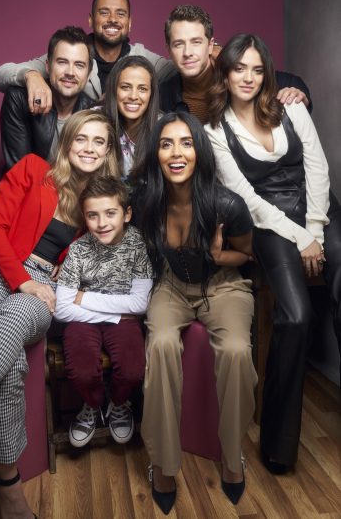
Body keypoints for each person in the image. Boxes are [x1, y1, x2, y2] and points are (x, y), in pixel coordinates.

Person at [0, 110, 120, 519]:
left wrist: (47, 285)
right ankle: (10, 489)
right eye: (80, 138)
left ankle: (8, 488)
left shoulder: (98, 209)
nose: (88, 147)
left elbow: (96, 273)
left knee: (18, 320)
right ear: (67, 143)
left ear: (108, 152)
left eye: (98, 141)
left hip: (40, 291)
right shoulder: (33, 170)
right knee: (9, 365)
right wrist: (24, 280)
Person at [205, 33, 341, 475]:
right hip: (268, 222)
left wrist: (316, 228)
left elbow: (317, 167)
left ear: (267, 73)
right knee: (296, 315)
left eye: (256, 69)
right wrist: (300, 238)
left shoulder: (291, 106)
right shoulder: (213, 129)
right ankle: (279, 445)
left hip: (319, 211)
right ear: (224, 71)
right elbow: (245, 196)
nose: (247, 77)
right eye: (239, 68)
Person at [132, 111, 258, 513]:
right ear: (156, 154)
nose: (176, 153)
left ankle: (232, 455)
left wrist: (222, 254)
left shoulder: (227, 203)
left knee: (238, 351)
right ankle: (163, 463)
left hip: (223, 285)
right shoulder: (146, 200)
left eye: (186, 143)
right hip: (172, 285)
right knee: (162, 345)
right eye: (166, 144)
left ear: (199, 151)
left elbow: (250, 253)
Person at [54, 176, 153, 447]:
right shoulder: (78, 250)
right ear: (84, 218)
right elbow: (62, 309)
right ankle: (92, 404)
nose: (102, 223)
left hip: (114, 321)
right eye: (92, 216)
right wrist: (116, 312)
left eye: (110, 213)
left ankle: (119, 403)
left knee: (133, 369)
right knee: (83, 371)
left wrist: (83, 297)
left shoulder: (137, 245)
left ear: (127, 213)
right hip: (81, 322)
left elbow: (140, 305)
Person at [0, 0, 174, 111]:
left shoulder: (143, 59)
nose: (112, 19)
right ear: (90, 20)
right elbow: (0, 75)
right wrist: (31, 76)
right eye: (104, 12)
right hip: (78, 150)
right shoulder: (74, 52)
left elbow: (183, 71)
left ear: (129, 23)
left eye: (120, 14)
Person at [160, 4, 312, 124]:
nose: (188, 52)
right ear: (169, 49)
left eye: (196, 42)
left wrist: (299, 93)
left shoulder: (234, 73)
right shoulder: (164, 94)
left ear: (210, 45)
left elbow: (288, 81)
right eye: (179, 44)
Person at [0, 26, 95, 168]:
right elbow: (20, 173)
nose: (70, 72)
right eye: (62, 62)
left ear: (88, 74)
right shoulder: (19, 100)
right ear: (48, 66)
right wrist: (31, 75)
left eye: (79, 65)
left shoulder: (94, 112)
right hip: (29, 187)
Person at [103, 55, 160, 177]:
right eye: (125, 87)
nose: (133, 96)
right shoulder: (95, 121)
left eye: (142, 89)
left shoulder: (164, 127)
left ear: (151, 93)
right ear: (114, 89)